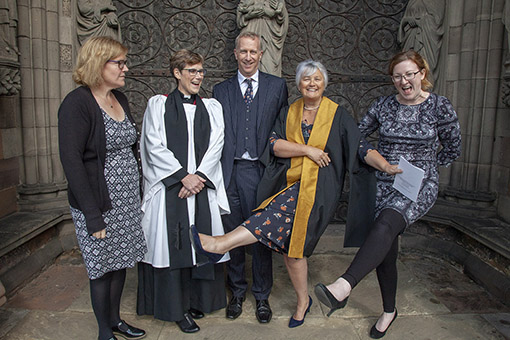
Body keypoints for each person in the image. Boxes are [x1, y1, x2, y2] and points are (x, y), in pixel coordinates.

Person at [194, 60, 401, 328]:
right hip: (288, 184)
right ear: (298, 83)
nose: (311, 84)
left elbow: (361, 147)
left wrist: (385, 165)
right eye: (306, 79)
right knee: (293, 252)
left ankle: (220, 244)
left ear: (325, 83)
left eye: (317, 79)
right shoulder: (289, 112)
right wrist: (308, 151)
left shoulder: (337, 115)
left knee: (269, 215)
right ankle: (303, 300)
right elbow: (274, 145)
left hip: (318, 192)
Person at [314, 50, 461, 339]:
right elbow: (358, 137)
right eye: (397, 76)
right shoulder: (383, 105)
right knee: (385, 248)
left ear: (422, 73)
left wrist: (427, 167)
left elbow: (453, 148)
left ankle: (344, 286)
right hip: (383, 179)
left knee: (384, 225)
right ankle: (390, 310)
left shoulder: (440, 107)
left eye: (409, 74)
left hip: (418, 185)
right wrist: (376, 159)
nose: (404, 81)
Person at [58, 36, 147, 340]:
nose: (125, 68)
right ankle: (103, 332)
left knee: (120, 261)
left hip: (126, 200)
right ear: (99, 63)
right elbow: (72, 161)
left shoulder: (119, 99)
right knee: (100, 267)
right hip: (96, 202)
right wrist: (92, 215)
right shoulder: (77, 103)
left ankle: (115, 320)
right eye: (119, 63)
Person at [136, 49, 230, 334]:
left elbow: (218, 143)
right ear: (177, 73)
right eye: (192, 71)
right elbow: (152, 144)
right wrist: (182, 177)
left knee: (200, 242)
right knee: (172, 245)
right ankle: (176, 308)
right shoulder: (159, 105)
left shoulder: (212, 107)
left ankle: (199, 300)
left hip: (200, 185)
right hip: (171, 189)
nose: (198, 76)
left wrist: (199, 176)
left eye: (201, 71)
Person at [212, 31, 288, 323]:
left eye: (253, 52)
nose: (247, 57)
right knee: (232, 237)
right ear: (235, 54)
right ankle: (237, 292)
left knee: (261, 237)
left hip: (262, 172)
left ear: (260, 54)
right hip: (229, 172)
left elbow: (283, 126)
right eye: (242, 51)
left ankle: (261, 296)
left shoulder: (277, 86)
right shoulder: (221, 90)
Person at [237, 0, 289, 77]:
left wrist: (278, 12)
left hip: (269, 34)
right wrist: (249, 16)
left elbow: (282, 17)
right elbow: (239, 20)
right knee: (248, 61)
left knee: (269, 67)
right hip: (250, 30)